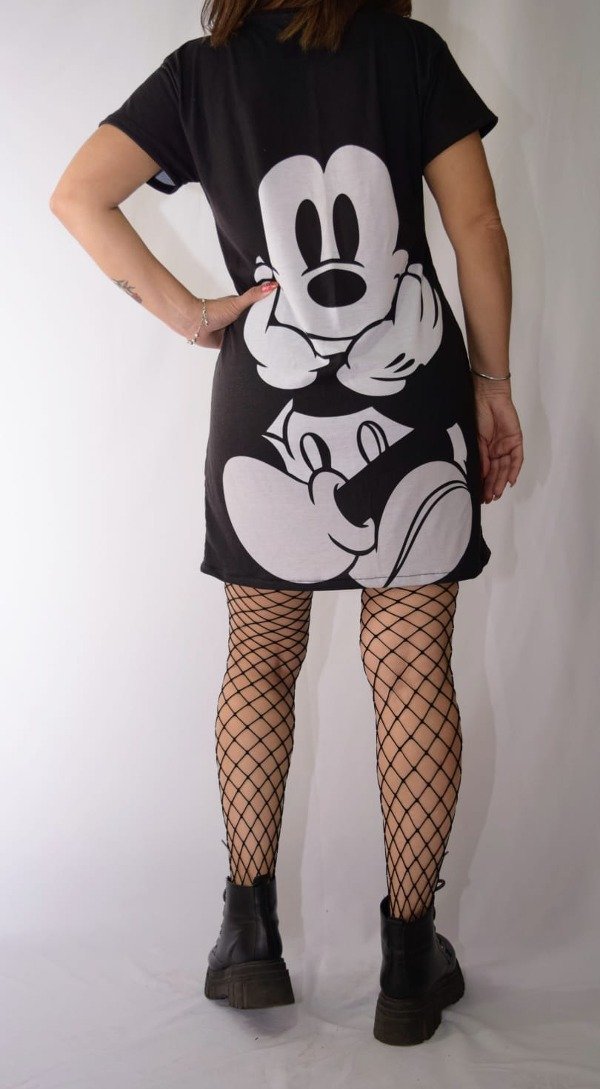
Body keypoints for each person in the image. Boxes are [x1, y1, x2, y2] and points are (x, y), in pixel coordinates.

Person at [50, 0, 524, 1046]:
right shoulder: (410, 55)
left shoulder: (200, 73)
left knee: (258, 660)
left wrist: (192, 316)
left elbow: (78, 194)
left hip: (265, 403)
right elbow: (477, 227)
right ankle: (410, 958)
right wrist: (493, 383)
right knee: (412, 668)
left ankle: (247, 937)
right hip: (416, 396)